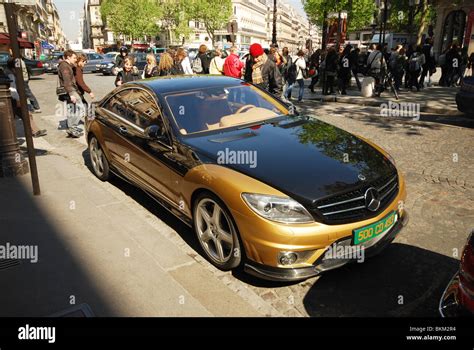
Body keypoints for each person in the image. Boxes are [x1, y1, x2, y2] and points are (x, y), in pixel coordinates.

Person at [4, 59, 46, 137]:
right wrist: (18, 100)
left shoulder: (9, 72)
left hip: (13, 99)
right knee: (22, 115)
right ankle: (9, 135)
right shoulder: (11, 75)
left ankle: (35, 131)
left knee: (26, 115)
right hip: (14, 99)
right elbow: (12, 89)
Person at [58, 49, 84, 138]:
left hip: (68, 90)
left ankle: (71, 128)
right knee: (80, 108)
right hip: (70, 90)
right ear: (68, 57)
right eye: (74, 58)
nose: (75, 60)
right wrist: (71, 94)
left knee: (71, 109)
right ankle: (72, 127)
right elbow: (67, 81)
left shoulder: (66, 65)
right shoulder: (65, 66)